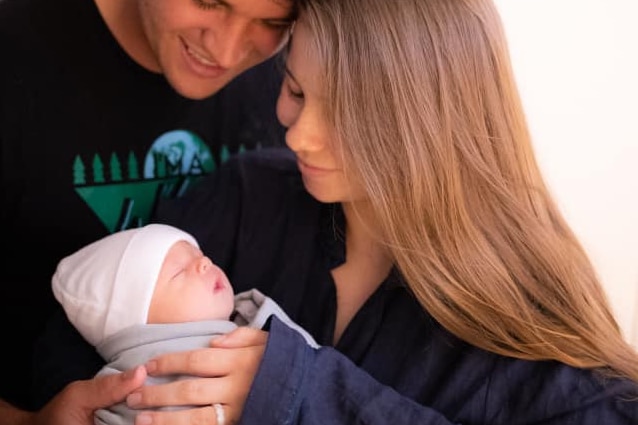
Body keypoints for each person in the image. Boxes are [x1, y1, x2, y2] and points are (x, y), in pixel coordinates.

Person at [32, 0, 638, 424]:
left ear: (432, 125)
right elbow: (85, 330)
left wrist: (303, 397)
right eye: (296, 91)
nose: (299, 138)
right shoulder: (248, 194)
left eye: (349, 115)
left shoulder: (524, 320)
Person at [0, 0, 298, 413]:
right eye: (209, 2)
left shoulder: (298, 82)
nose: (227, 52)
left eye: (272, 22)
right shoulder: (15, 50)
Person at [51, 223, 316, 425]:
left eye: (200, 255)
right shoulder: (132, 385)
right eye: (178, 272)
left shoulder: (256, 324)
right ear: (138, 326)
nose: (204, 263)